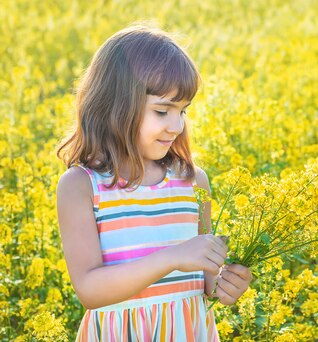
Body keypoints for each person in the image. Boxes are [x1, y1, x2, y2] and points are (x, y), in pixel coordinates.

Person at [55, 24, 253, 341]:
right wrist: (171, 257)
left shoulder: (195, 182)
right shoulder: (81, 187)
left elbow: (205, 281)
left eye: (183, 111)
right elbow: (90, 290)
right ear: (115, 105)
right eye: (162, 111)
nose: (176, 125)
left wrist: (225, 284)